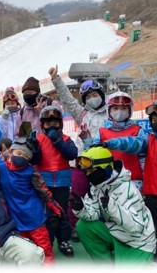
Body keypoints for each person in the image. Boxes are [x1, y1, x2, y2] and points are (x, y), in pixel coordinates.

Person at [103, 99, 157, 263]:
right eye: (154, 120)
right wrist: (110, 143)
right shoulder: (148, 139)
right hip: (153, 196)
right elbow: (131, 143)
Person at [48, 65, 108, 240]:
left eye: (95, 95)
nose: (92, 98)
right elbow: (67, 100)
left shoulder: (110, 115)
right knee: (76, 194)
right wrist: (56, 79)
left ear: (102, 96)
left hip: (104, 164)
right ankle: (73, 226)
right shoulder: (82, 115)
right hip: (82, 162)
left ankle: (106, 227)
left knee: (104, 196)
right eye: (88, 96)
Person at [70, 146, 156, 265]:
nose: (88, 175)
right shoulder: (96, 187)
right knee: (82, 226)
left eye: (91, 170)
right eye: (86, 172)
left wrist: (112, 207)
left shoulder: (128, 189)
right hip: (116, 232)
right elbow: (93, 214)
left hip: (138, 242)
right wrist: (80, 208)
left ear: (106, 169)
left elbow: (137, 227)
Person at [0, 137, 64, 264]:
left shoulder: (31, 172)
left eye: (26, 156)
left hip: (34, 217)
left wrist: (54, 205)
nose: (21, 157)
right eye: (19, 153)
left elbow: (43, 190)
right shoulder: (0, 169)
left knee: (44, 249)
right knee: (24, 253)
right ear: (11, 151)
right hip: (15, 219)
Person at [33, 106, 78, 257]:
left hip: (62, 183)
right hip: (44, 183)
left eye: (55, 123)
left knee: (62, 212)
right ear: (42, 125)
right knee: (47, 213)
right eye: (48, 123)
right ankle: (47, 242)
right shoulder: (39, 139)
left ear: (60, 124)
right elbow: (35, 160)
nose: (52, 126)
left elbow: (72, 154)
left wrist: (57, 140)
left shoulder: (65, 139)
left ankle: (63, 240)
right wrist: (32, 147)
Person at [93, 92, 147, 190]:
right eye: (115, 108)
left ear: (129, 111)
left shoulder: (138, 130)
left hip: (133, 182)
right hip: (108, 182)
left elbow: (143, 159)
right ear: (109, 110)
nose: (119, 112)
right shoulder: (101, 131)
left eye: (124, 108)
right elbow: (94, 156)